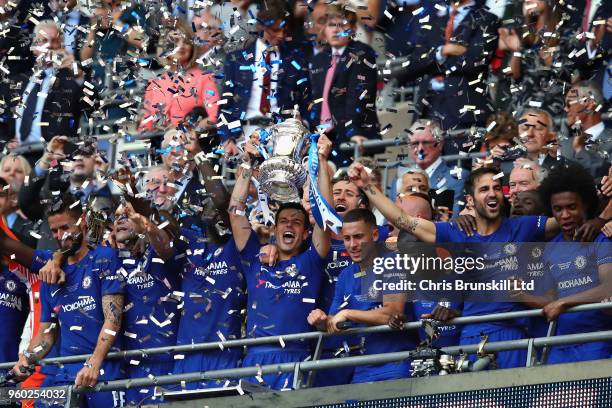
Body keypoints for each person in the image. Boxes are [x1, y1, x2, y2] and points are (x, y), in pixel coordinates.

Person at [348, 164, 563, 368]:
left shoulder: (522, 227)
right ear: (470, 198)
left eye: (497, 188)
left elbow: (567, 217)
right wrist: (367, 186)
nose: (492, 193)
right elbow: (404, 220)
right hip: (469, 336)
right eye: (484, 189)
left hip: (512, 333)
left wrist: (597, 221)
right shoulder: (456, 232)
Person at [227, 134, 332, 390]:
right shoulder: (255, 259)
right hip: (254, 360)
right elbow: (235, 210)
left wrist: (322, 160)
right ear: (274, 229)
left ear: (306, 233)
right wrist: (247, 164)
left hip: (296, 358)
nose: (289, 226)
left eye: (297, 222)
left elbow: (326, 215)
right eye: (284, 221)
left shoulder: (311, 262)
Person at [3, 194, 125, 407]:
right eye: (54, 231)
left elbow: (113, 319)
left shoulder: (105, 258)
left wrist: (94, 363)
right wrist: (28, 358)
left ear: (84, 221)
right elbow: (47, 333)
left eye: (65, 228)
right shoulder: (51, 272)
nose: (60, 236)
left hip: (105, 371)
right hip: (65, 374)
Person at [514, 164, 612, 364]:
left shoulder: (601, 240)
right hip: (560, 345)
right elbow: (551, 298)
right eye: (558, 209)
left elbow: (608, 287)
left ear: (585, 205)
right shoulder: (550, 248)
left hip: (599, 340)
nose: (565, 215)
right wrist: (520, 294)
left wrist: (564, 303)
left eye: (571, 207)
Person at [308, 208, 415, 383]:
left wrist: (348, 313)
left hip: (397, 364)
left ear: (374, 235)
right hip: (361, 368)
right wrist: (322, 321)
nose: (352, 245)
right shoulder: (345, 275)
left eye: (358, 237)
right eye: (347, 238)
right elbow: (335, 322)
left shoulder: (393, 263)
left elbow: (392, 313)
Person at [392, 0, 500, 129]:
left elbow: (475, 63)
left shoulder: (487, 19)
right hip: (427, 109)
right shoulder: (431, 19)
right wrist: (442, 52)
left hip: (465, 110)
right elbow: (414, 64)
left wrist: (431, 62)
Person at [219, 0, 311, 152]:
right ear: (261, 26)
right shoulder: (237, 58)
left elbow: (306, 101)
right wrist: (227, 139)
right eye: (275, 30)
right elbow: (225, 104)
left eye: (285, 30)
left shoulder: (296, 60)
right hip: (243, 132)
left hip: (282, 135)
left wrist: (302, 127)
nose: (281, 35)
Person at [308, 4, 380, 165]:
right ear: (324, 29)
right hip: (320, 138)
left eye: (342, 25)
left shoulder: (361, 53)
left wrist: (353, 130)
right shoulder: (318, 59)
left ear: (353, 29)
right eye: (331, 25)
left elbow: (359, 97)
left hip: (350, 136)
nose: (335, 30)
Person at [1, 20, 83, 156]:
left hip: (54, 157)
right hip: (16, 157)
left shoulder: (70, 80)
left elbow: (92, 105)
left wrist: (77, 73)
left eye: (55, 41)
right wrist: (6, 143)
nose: (49, 45)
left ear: (61, 46)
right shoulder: (16, 81)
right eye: (43, 40)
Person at [139, 21, 219, 131]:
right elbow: (144, 127)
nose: (181, 46)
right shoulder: (154, 84)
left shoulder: (204, 78)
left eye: (186, 41)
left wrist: (185, 129)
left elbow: (215, 117)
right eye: (175, 41)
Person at [396, 120, 469, 217]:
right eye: (415, 143)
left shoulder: (457, 177)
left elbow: (454, 221)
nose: (420, 149)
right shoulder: (399, 180)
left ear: (439, 144)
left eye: (426, 142)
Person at [560, 81, 612, 179]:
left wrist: (580, 150)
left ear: (589, 104)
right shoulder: (564, 146)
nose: (566, 109)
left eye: (569, 103)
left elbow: (605, 177)